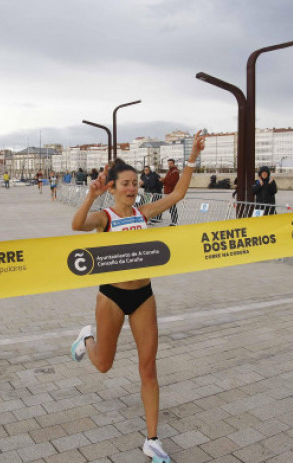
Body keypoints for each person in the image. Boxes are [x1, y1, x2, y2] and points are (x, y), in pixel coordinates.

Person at [70, 130, 206, 463]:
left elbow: (178, 194)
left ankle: (153, 439)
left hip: (144, 295)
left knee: (148, 368)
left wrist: (192, 158)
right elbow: (76, 225)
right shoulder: (106, 218)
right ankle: (85, 338)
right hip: (112, 297)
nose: (132, 188)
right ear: (112, 188)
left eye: (135, 183)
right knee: (103, 364)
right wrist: (91, 195)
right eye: (125, 183)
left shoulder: (142, 213)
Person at [161, 159, 180, 226]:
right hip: (167, 191)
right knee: (170, 207)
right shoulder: (169, 171)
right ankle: (173, 220)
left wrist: (164, 180)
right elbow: (167, 180)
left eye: (170, 163)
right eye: (168, 163)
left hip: (171, 191)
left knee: (172, 207)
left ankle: (174, 221)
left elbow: (173, 182)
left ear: (173, 163)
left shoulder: (175, 172)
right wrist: (163, 181)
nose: (169, 165)